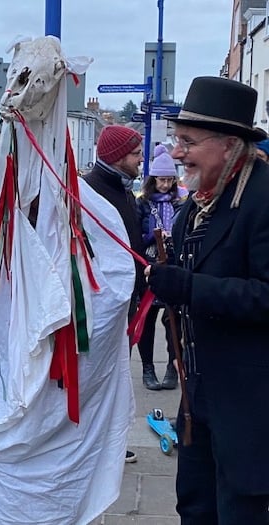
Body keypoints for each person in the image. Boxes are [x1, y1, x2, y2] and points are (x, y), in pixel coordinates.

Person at [145, 76, 269, 524]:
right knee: (195, 508)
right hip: (198, 398)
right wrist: (158, 273)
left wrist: (188, 287)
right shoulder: (196, 205)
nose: (176, 152)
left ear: (229, 144)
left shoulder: (262, 198)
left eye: (187, 142)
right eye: (177, 140)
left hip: (251, 407)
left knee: (239, 513)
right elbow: (184, 266)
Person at [84, 124, 144, 463]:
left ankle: (111, 443)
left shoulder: (122, 187)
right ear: (118, 156)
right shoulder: (92, 189)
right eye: (135, 154)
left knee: (119, 378)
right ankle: (97, 448)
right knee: (101, 380)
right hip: (103, 305)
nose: (140, 159)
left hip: (127, 300)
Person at [136, 144, 187, 390]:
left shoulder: (180, 203)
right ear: (153, 180)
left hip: (173, 263)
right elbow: (136, 233)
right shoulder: (143, 203)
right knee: (146, 319)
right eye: (161, 180)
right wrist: (151, 236)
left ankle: (172, 365)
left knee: (173, 320)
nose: (165, 185)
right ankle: (148, 367)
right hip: (149, 263)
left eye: (169, 180)